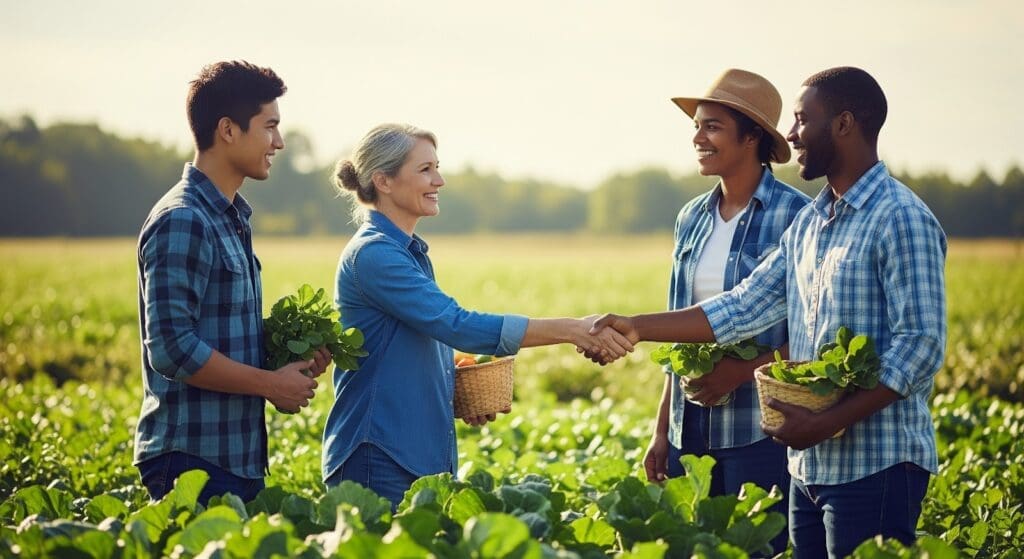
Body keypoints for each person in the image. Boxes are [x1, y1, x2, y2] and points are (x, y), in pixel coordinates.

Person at [591, 67, 946, 559]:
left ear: (844, 124)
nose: (793, 134)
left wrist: (827, 420)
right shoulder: (811, 223)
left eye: (802, 120)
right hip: (809, 467)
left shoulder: (900, 217)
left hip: (876, 463)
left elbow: (920, 346)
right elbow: (743, 305)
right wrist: (637, 326)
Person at [323, 123, 633, 508]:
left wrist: (453, 386)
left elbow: (408, 345)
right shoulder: (375, 254)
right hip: (379, 453)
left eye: (437, 167)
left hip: (414, 451)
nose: (440, 180)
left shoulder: (405, 251)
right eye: (425, 170)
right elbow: (456, 324)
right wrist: (573, 329)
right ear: (383, 181)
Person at [134, 61, 332, 504]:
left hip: (236, 456)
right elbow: (172, 348)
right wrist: (268, 384)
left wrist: (288, 358)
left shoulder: (229, 217)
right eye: (270, 127)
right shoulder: (184, 219)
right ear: (228, 130)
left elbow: (221, 330)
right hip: (191, 459)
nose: (279, 142)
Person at [643, 68, 810, 556]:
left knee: (758, 548)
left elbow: (812, 333)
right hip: (686, 429)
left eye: (712, 126)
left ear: (753, 136)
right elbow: (681, 332)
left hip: (758, 430)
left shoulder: (797, 217)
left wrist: (741, 372)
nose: (698, 138)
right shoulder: (691, 218)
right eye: (696, 126)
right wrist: (661, 433)